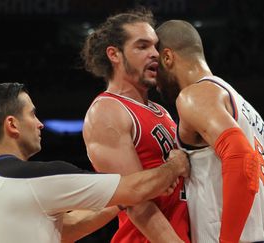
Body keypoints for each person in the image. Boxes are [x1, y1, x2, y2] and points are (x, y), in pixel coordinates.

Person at [0, 82, 190, 243]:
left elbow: (65, 230)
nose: (40, 124)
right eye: (32, 114)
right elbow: (134, 188)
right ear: (12, 125)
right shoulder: (34, 179)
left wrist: (120, 202)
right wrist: (174, 166)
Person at [155, 20, 264, 243]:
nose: (155, 83)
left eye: (156, 69)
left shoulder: (193, 96)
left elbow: (241, 159)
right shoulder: (244, 109)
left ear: (168, 57)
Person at [81, 8, 190, 243]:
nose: (155, 54)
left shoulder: (160, 110)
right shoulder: (107, 111)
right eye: (142, 46)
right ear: (114, 54)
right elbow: (136, 202)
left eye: (155, 46)